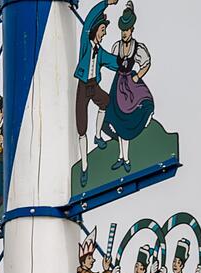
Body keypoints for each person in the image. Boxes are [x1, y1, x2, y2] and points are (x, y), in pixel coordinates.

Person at [74, 0, 120, 187]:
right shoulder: (86, 42)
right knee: (81, 127)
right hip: (83, 87)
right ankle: (84, 167)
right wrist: (105, 3)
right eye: (102, 30)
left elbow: (113, 62)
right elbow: (89, 18)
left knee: (105, 102)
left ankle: (98, 135)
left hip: (94, 85)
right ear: (95, 30)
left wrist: (127, 64)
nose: (104, 33)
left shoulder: (99, 52)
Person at [105, 1, 155, 173]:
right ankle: (122, 157)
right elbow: (111, 61)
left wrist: (138, 76)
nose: (124, 33)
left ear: (132, 30)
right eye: (122, 30)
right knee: (118, 120)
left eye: (126, 30)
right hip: (118, 85)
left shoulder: (137, 48)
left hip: (131, 85)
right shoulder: (117, 46)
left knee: (138, 110)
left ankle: (125, 158)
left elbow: (146, 63)